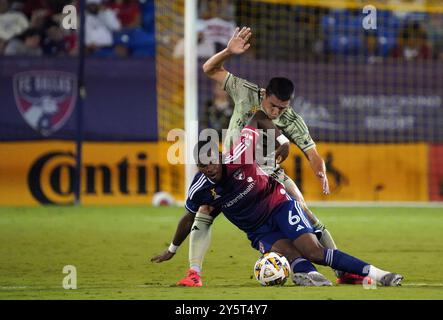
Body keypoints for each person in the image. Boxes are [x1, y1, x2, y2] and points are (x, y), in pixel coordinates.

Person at [152, 26, 363, 285]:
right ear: (265, 95)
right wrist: (228, 52)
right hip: (230, 169)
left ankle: (342, 272)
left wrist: (320, 171)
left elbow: (312, 152)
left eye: (282, 107)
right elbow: (209, 69)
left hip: (267, 176)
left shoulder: (292, 120)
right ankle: (194, 274)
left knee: (306, 215)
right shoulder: (245, 91)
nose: (276, 112)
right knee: (204, 210)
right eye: (273, 105)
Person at [156, 110, 404, 287]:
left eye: (211, 162)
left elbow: (258, 116)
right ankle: (310, 276)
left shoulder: (239, 154)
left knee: (314, 252)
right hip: (258, 231)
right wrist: (172, 248)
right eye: (202, 165)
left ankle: (379, 275)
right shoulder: (200, 187)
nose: (208, 168)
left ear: (219, 156)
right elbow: (189, 218)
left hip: (279, 206)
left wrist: (282, 139)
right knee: (293, 256)